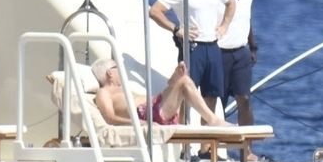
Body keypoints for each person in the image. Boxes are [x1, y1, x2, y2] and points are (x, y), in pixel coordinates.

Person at [148, 0, 236, 106]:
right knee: (185, 94)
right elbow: (154, 11)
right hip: (192, 48)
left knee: (212, 94)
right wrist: (176, 29)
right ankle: (183, 122)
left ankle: (207, 123)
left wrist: (224, 26)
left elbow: (231, 3)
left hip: (212, 45)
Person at [89, 57, 225, 127]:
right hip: (146, 114)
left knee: (183, 81)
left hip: (154, 108)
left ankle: (175, 80)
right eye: (117, 67)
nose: (121, 70)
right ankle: (212, 120)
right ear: (109, 73)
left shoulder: (122, 90)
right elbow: (110, 118)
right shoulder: (103, 92)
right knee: (184, 81)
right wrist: (138, 123)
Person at [218, 0, 261, 156]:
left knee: (244, 99)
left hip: (241, 53)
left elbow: (247, 20)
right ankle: (213, 148)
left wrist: (253, 47)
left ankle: (247, 149)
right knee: (218, 102)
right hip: (220, 53)